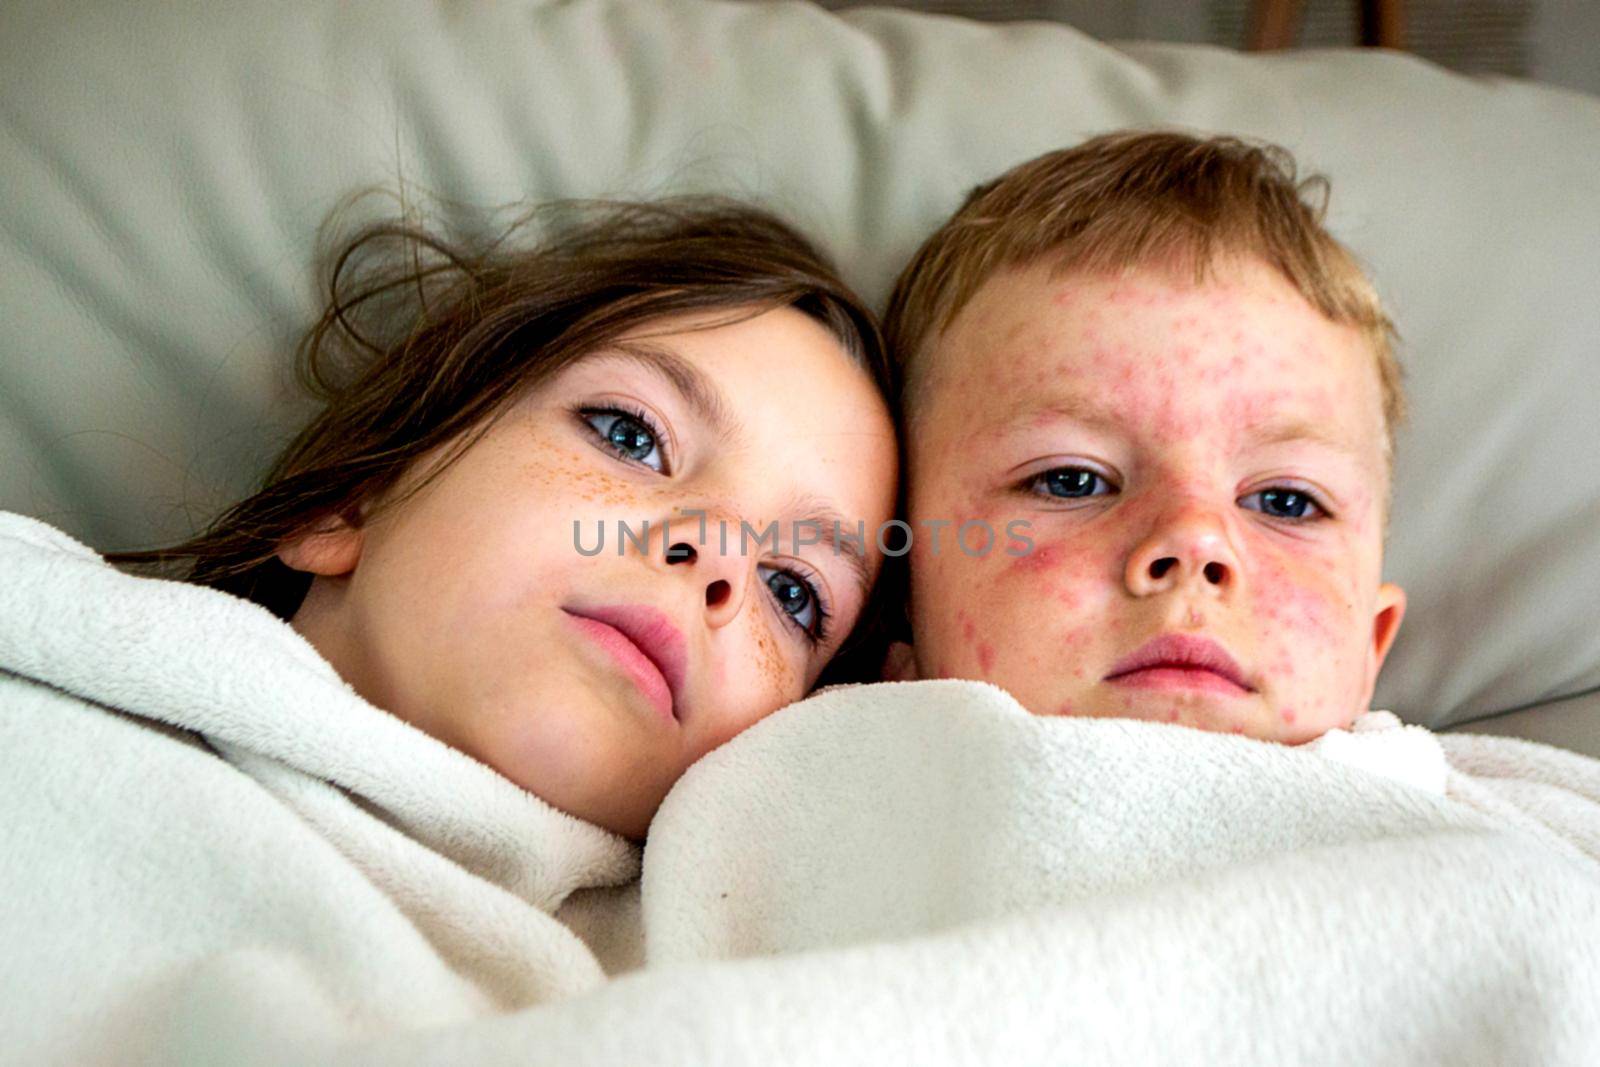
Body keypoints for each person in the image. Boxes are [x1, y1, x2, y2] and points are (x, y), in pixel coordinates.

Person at [0, 197, 897, 1057]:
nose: (719, 560)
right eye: (629, 435)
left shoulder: (698, 993)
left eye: (793, 592)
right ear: (352, 499)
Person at [879, 130, 1406, 745]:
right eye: (1071, 481)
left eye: (1286, 501)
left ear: (1370, 645)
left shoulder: (1499, 821)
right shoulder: (798, 801)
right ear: (903, 613)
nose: (1195, 540)